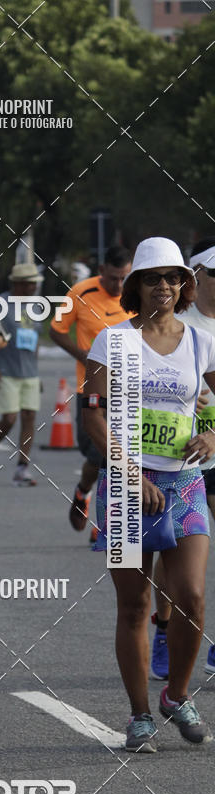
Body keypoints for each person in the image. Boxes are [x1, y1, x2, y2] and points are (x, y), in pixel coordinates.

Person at [84, 236, 215, 752]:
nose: (164, 286)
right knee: (136, 606)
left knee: (192, 598)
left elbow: (211, 402)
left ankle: (177, 695)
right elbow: (91, 414)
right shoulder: (113, 341)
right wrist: (131, 474)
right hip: (124, 486)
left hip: (184, 483)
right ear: (136, 284)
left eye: (173, 277)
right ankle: (140, 715)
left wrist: (212, 433)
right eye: (153, 277)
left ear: (185, 284)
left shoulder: (201, 341)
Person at [149, 236, 215, 679]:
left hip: (213, 452)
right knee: (165, 549)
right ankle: (163, 626)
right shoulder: (179, 322)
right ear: (196, 276)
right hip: (173, 462)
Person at [50, 247, 133, 538]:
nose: (119, 286)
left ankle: (106, 521)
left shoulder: (137, 293)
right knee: (99, 455)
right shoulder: (79, 292)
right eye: (113, 278)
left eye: (124, 278)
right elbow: (56, 330)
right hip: (92, 390)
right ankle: (83, 491)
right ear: (101, 269)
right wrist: (84, 356)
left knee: (118, 455)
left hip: (130, 390)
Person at [0, 263, 44, 485]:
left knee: (29, 417)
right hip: (7, 369)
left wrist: (37, 372)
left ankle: (22, 468)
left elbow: (35, 339)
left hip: (29, 372)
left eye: (35, 283)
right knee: (9, 418)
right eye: (29, 283)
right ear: (17, 283)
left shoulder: (37, 307)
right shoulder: (1, 304)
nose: (34, 287)